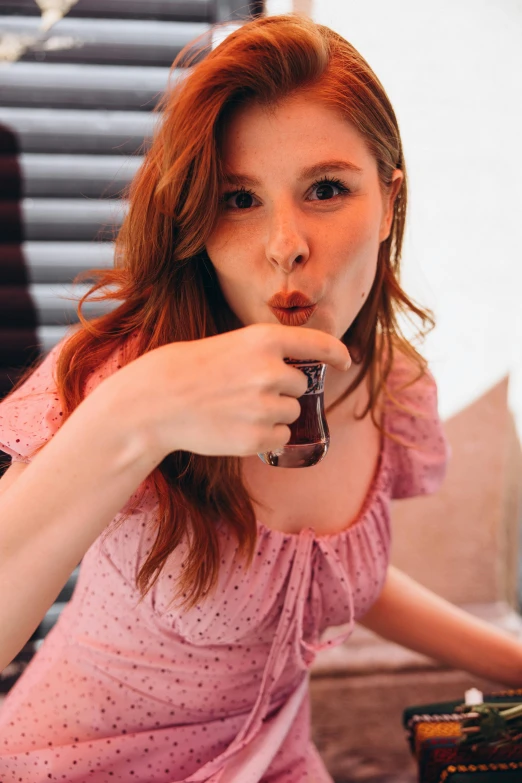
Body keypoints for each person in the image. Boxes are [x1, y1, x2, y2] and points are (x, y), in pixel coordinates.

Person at [0, 13, 521, 783]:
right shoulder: (121, 375)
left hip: (276, 759)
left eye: (326, 189)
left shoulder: (394, 391)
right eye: (239, 199)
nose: (285, 242)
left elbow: (326, 578)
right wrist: (135, 413)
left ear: (387, 200)